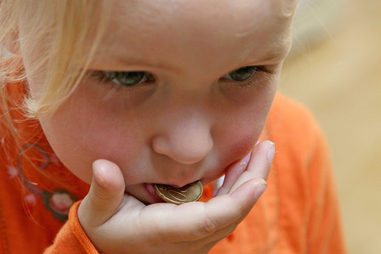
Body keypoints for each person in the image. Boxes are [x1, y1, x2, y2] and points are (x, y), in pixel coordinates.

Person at [0, 0, 347, 253]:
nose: (190, 147)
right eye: (130, 77)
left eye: (243, 72)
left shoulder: (298, 151)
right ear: (12, 21)